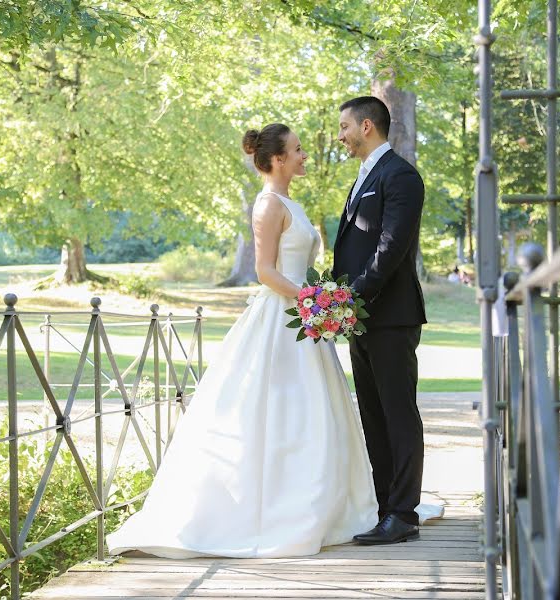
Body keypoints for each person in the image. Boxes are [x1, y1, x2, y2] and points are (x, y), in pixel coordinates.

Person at [106, 123, 378, 558]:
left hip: (304, 318)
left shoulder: (291, 201)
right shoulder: (268, 204)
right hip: (283, 317)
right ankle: (262, 512)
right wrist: (312, 298)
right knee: (274, 411)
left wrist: (315, 301)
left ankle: (324, 504)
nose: (305, 154)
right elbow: (265, 271)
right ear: (276, 159)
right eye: (298, 149)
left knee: (312, 411)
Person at [333, 96, 427, 545]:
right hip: (360, 317)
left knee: (398, 414)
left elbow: (391, 248)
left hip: (390, 316)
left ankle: (404, 513)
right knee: (373, 415)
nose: (340, 136)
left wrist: (355, 295)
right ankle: (384, 506)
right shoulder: (363, 177)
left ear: (367, 125)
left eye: (344, 127)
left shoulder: (401, 176)